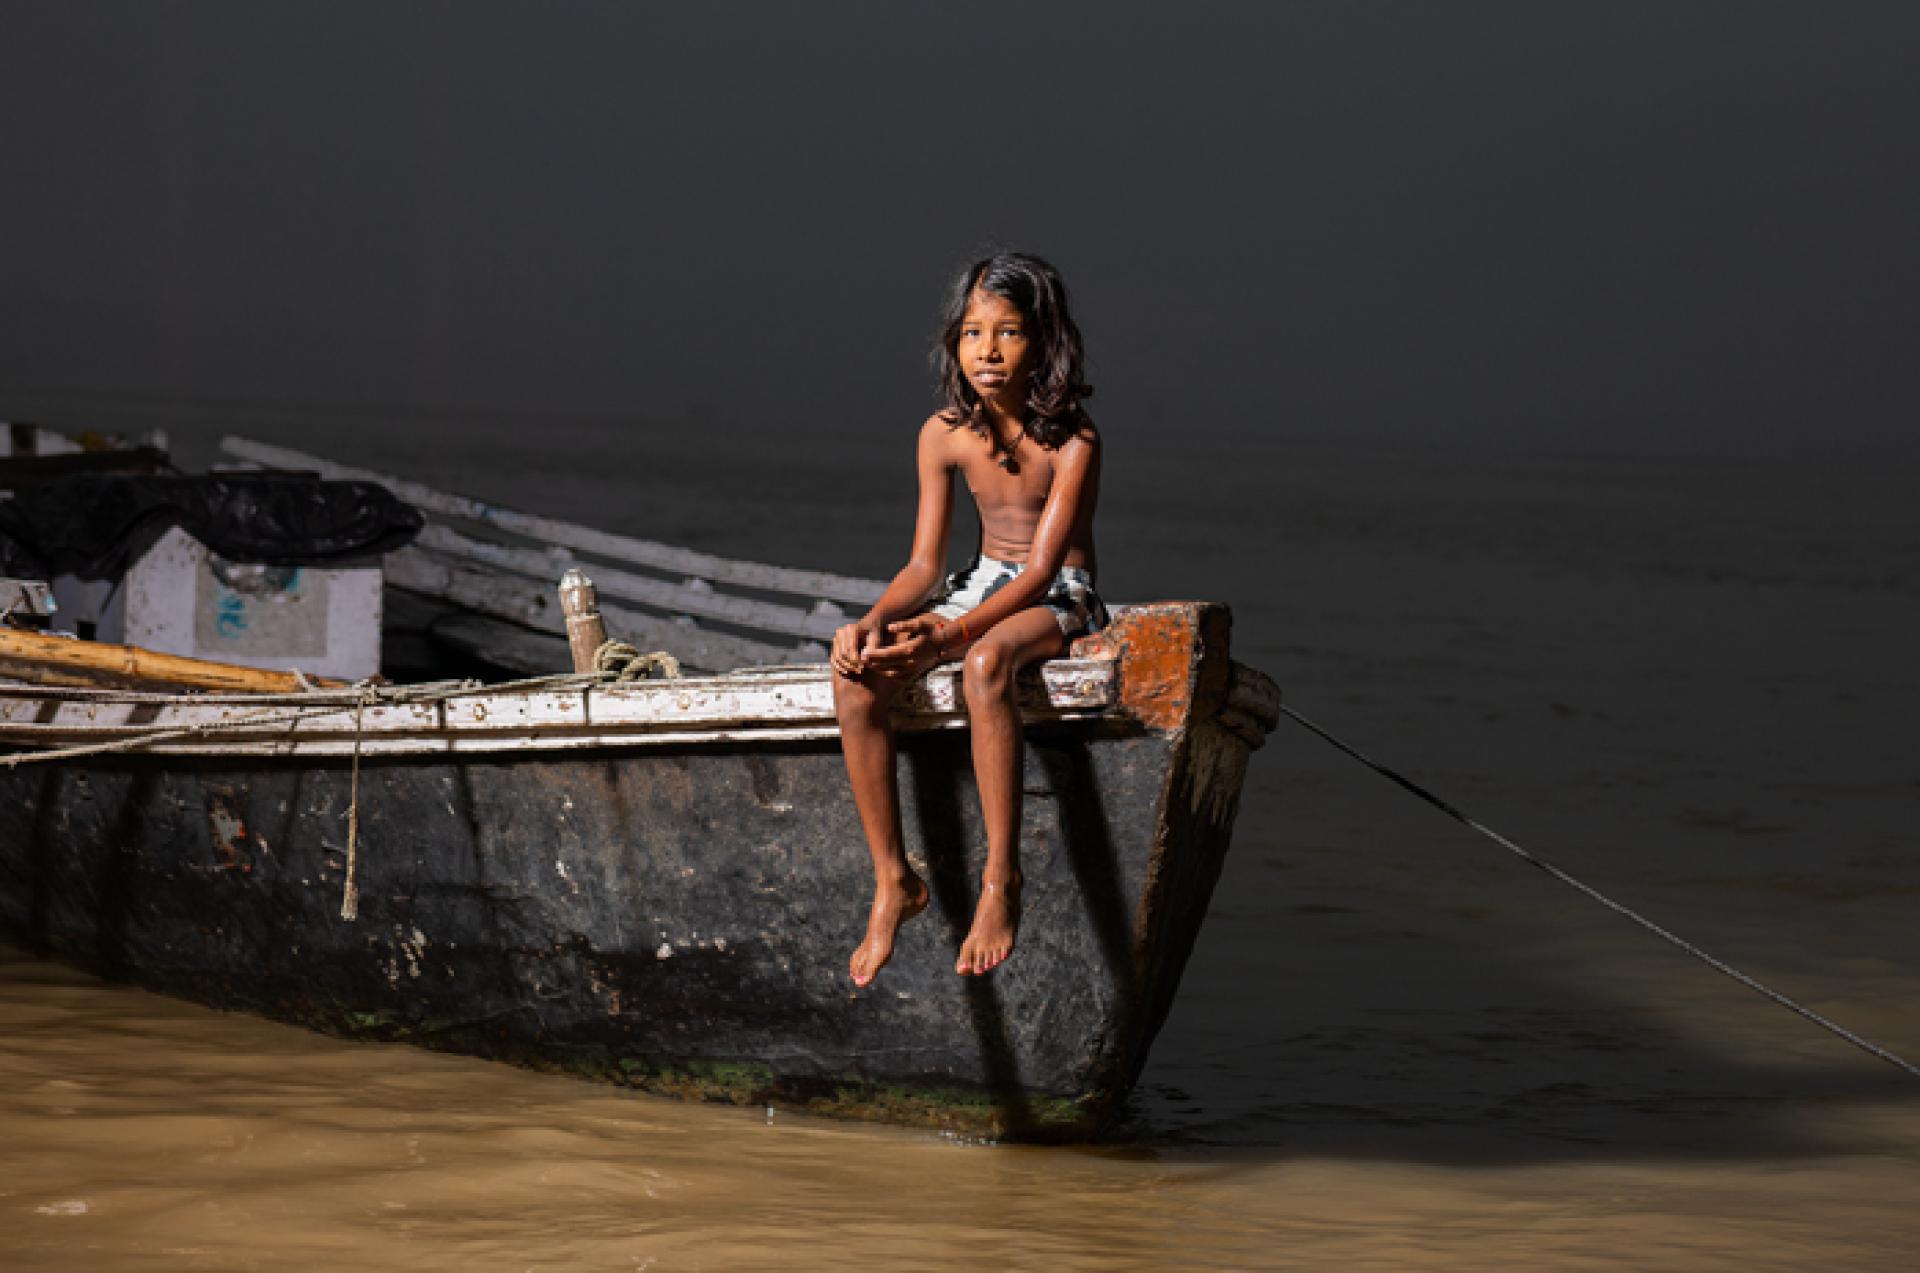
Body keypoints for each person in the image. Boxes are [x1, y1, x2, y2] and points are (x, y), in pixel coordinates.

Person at [831, 252, 1107, 988]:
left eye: (1009, 332)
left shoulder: (1075, 442)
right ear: (954, 342)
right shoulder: (943, 435)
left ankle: (1000, 879)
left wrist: (952, 634)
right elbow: (925, 566)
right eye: (973, 333)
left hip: (1055, 596)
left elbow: (1046, 571)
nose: (988, 350)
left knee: (986, 665)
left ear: (1043, 342)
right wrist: (876, 619)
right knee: (856, 675)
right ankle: (894, 880)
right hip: (975, 585)